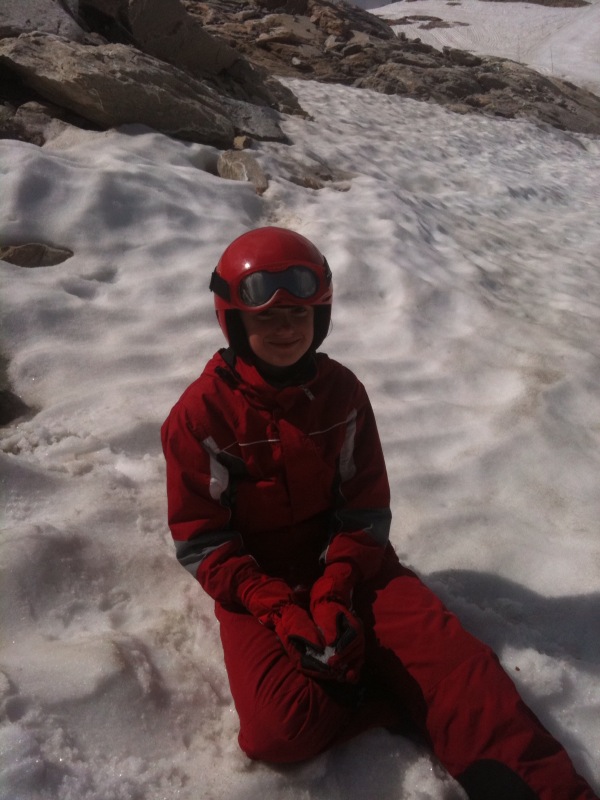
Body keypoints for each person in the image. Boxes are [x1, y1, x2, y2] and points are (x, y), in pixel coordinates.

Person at [161, 226, 598, 800]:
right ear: (235, 322)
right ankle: (381, 682)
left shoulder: (342, 394)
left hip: (353, 566)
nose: (286, 329)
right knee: (279, 733)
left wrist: (335, 585)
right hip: (256, 584)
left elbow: (365, 508)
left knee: (459, 674)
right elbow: (203, 541)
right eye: (267, 318)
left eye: (300, 314)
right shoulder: (201, 416)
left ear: (321, 316)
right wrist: (279, 608)